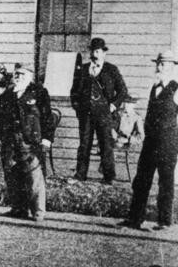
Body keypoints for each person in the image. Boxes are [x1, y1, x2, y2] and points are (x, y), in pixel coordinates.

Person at [117, 51, 178, 232]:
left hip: (168, 143)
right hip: (150, 142)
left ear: (172, 67)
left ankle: (164, 221)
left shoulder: (176, 89)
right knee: (142, 179)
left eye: (163, 64)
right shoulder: (154, 87)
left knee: (165, 182)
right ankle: (135, 218)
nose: (159, 67)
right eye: (158, 63)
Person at [0, 66, 53, 222]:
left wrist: (47, 138)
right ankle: (18, 208)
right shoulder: (7, 94)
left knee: (34, 176)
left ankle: (38, 212)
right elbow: (0, 119)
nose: (18, 77)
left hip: (30, 141)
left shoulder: (39, 92)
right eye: (16, 74)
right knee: (12, 174)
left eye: (22, 74)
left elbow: (48, 117)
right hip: (10, 140)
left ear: (30, 77)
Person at [70, 37, 129, 184]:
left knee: (105, 145)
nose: (94, 54)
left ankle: (109, 177)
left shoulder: (111, 70)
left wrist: (113, 105)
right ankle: (80, 175)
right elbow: (74, 91)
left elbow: (122, 91)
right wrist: (78, 108)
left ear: (104, 53)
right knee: (84, 144)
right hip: (86, 114)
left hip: (104, 114)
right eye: (92, 51)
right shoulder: (83, 69)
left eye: (97, 51)